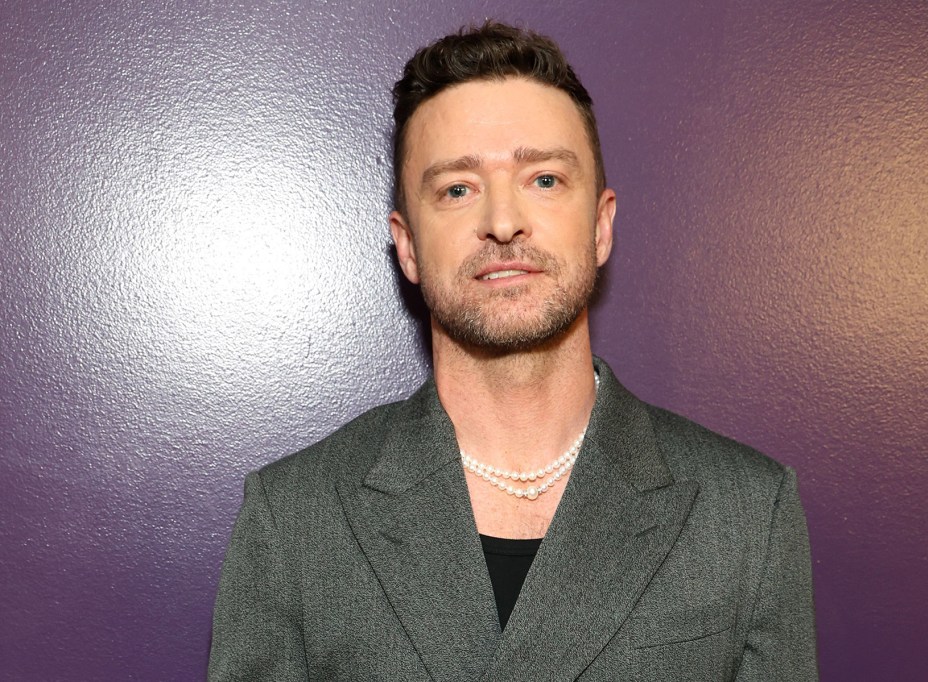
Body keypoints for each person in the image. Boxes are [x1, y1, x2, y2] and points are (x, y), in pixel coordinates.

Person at [209, 21, 817, 681]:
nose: (502, 222)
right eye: (457, 189)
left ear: (601, 225)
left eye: (544, 180)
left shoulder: (746, 512)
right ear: (407, 246)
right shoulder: (293, 517)